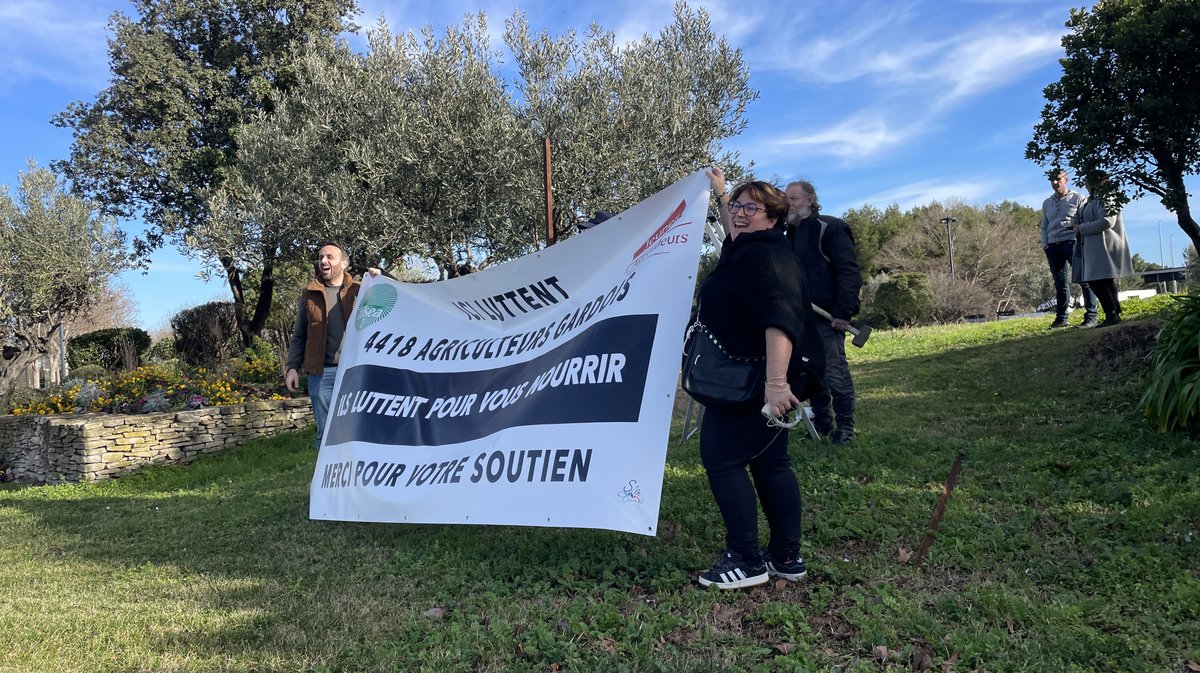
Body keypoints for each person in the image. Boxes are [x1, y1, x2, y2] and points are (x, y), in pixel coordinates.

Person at [694, 168, 825, 590]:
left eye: (752, 207)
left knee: (722, 459)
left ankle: (746, 560)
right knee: (770, 463)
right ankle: (786, 556)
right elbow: (731, 229)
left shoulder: (769, 258)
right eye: (737, 206)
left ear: (774, 217)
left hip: (752, 382)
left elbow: (780, 320)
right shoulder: (748, 248)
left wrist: (775, 383)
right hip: (752, 376)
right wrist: (720, 192)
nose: (740, 214)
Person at [783, 180, 863, 445]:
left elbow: (848, 272)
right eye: (787, 199)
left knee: (834, 374)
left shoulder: (831, 228)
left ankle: (845, 429)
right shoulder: (787, 237)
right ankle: (823, 424)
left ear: (810, 200)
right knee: (812, 375)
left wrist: (843, 311)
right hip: (801, 321)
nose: (789, 204)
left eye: (794, 198)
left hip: (828, 319)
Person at [285, 241, 362, 448]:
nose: (323, 261)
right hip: (321, 374)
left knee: (354, 427)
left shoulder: (360, 290)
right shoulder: (310, 294)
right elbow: (299, 335)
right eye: (320, 257)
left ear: (344, 263)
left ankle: (354, 475)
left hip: (353, 371)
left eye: (329, 257)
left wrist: (378, 278)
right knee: (326, 431)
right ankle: (327, 478)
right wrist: (292, 367)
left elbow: (387, 309)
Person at [1073, 174, 1134, 327]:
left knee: (1097, 280)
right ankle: (1113, 312)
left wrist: (1082, 228)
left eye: (1088, 181)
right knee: (1103, 280)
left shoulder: (1107, 197)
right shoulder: (1092, 199)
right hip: (1094, 245)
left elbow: (1107, 221)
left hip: (1104, 245)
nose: (1085, 185)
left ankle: (1112, 313)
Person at [1041, 169, 1098, 328]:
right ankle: (1061, 318)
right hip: (1053, 246)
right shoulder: (1047, 203)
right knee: (1060, 283)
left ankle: (1091, 316)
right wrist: (1045, 244)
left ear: (1066, 180)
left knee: (1084, 280)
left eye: (1058, 179)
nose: (1055, 183)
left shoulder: (1078, 198)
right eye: (1052, 180)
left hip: (1072, 243)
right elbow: (1044, 226)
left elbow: (1084, 219)